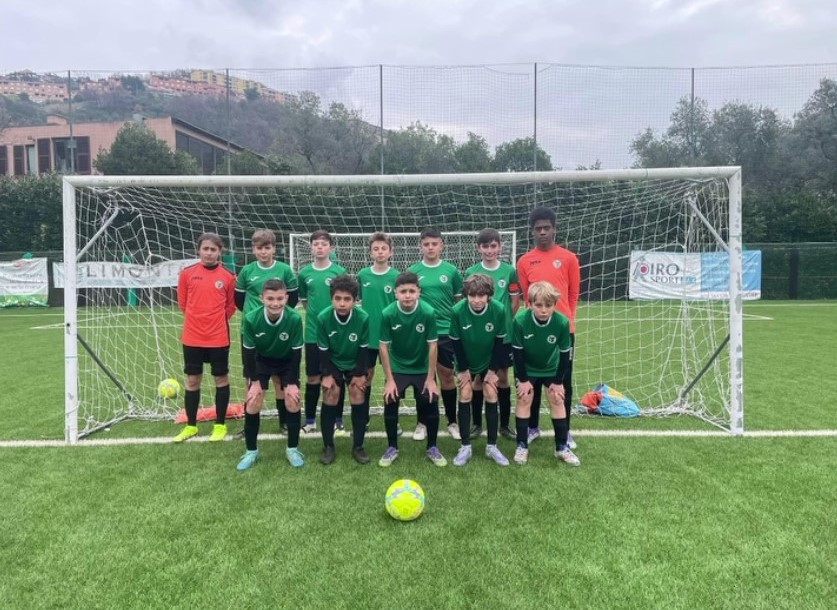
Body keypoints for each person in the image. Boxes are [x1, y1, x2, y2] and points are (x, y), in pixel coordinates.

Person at [516, 207, 580, 450]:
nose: (542, 232)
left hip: (561, 330)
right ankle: (532, 427)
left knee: (562, 380)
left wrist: (568, 320)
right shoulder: (524, 261)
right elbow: (527, 296)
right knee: (531, 380)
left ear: (554, 229)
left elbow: (573, 293)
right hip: (534, 329)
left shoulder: (568, 258)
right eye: (538, 229)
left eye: (546, 228)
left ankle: (565, 430)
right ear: (532, 231)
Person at [378, 271, 447, 468]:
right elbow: (383, 347)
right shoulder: (388, 313)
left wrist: (431, 378)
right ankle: (392, 447)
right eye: (403, 291)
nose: (407, 295)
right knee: (390, 398)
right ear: (395, 293)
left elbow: (433, 346)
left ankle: (432, 447)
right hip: (398, 366)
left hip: (421, 367)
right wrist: (389, 379)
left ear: (419, 292)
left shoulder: (427, 312)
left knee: (431, 399)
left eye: (411, 291)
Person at [173, 232, 236, 443]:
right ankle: (191, 426)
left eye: (213, 249)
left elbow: (230, 307)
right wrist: (198, 320)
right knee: (192, 380)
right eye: (205, 249)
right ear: (199, 250)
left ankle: (220, 425)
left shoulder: (228, 276)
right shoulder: (187, 274)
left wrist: (214, 321)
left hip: (218, 337)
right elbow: (183, 303)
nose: (209, 253)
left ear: (220, 252)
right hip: (192, 337)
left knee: (221, 378)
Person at [234, 229, 298, 436]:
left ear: (274, 249)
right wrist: (255, 316)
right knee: (251, 378)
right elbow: (238, 300)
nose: (263, 252)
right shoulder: (247, 271)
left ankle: (284, 422)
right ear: (253, 249)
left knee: (280, 378)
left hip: (280, 328)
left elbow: (293, 298)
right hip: (253, 328)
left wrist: (279, 315)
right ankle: (249, 424)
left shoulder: (285, 270)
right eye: (259, 248)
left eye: (267, 248)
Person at [237, 279, 305, 469]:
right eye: (270, 299)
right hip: (261, 361)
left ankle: (292, 449)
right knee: (253, 400)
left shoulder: (294, 318)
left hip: (286, 361)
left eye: (280, 298)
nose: (275, 303)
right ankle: (251, 451)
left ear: (287, 298)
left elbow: (296, 353)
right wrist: (255, 382)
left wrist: (292, 382)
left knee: (293, 399)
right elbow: (248, 353)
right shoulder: (251, 318)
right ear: (262, 298)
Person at [511, 281, 579, 466]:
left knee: (557, 398)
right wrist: (523, 380)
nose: (543, 310)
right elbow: (517, 353)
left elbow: (565, 355)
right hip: (527, 368)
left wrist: (558, 382)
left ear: (554, 305)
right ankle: (522, 446)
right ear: (530, 303)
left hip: (551, 367)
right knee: (524, 397)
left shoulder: (561, 322)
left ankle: (561, 447)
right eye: (539, 305)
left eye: (548, 305)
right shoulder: (520, 321)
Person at [464, 228, 521, 440]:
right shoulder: (471, 271)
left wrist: (502, 321)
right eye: (485, 246)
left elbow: (514, 302)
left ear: (500, 246)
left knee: (502, 378)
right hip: (479, 335)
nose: (489, 250)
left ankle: (504, 424)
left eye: (493, 246)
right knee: (478, 379)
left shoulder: (509, 271)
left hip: (503, 334)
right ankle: (477, 424)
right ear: (478, 248)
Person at [449, 273, 510, 466]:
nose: (476, 300)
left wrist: (492, 371)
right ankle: (465, 446)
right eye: (472, 295)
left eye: (481, 296)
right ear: (466, 295)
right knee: (465, 392)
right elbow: (456, 342)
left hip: (488, 359)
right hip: (466, 359)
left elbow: (499, 342)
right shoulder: (457, 311)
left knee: (491, 392)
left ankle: (492, 446)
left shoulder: (498, 309)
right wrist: (463, 370)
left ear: (489, 295)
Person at [408, 228, 463, 440]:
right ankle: (422, 422)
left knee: (447, 376)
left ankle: (452, 421)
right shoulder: (413, 271)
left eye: (434, 243)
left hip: (446, 331)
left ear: (442, 245)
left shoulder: (451, 271)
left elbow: (458, 303)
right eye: (426, 244)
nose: (430, 247)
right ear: (420, 246)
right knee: (423, 377)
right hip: (421, 331)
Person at [316, 274, 372, 465]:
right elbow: (323, 351)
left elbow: (363, 349)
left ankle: (358, 446)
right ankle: (328, 446)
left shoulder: (362, 317)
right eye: (337, 298)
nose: (342, 303)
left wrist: (359, 374)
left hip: (354, 363)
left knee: (357, 392)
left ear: (355, 300)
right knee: (331, 393)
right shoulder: (323, 318)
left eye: (347, 299)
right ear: (331, 298)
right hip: (332, 363)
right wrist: (327, 375)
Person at [297, 230, 347, 435]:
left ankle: (338, 420)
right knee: (313, 378)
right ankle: (310, 420)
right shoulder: (304, 273)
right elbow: (305, 302)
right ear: (311, 247)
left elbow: (344, 301)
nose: (320, 247)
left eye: (324, 244)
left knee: (337, 378)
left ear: (331, 248)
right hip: (312, 334)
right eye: (316, 244)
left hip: (336, 334)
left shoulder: (339, 271)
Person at [356, 231, 401, 434]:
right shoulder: (362, 275)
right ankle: (363, 420)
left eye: (384, 248)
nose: (380, 252)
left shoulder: (397, 276)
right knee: (365, 377)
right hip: (367, 337)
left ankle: (392, 420)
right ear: (370, 252)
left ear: (391, 252)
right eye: (376, 249)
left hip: (391, 337)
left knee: (392, 377)